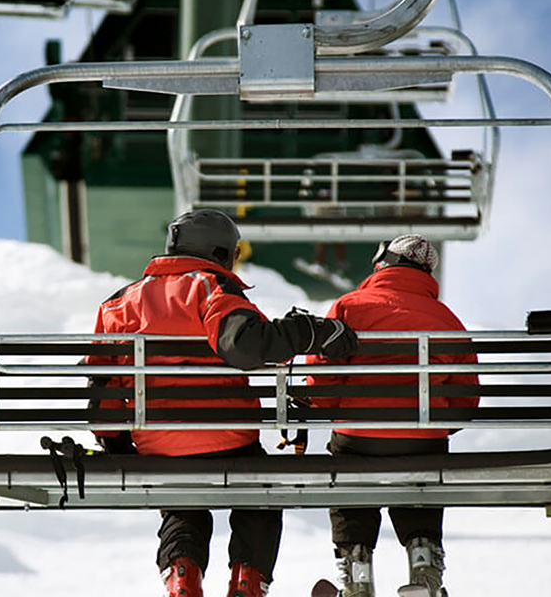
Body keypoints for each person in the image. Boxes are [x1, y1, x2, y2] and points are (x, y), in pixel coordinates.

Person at [85, 209, 358, 597]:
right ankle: (246, 585)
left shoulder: (120, 303)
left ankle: (183, 579)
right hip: (229, 438)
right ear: (220, 252)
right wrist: (308, 332)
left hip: (158, 446)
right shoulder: (210, 287)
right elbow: (245, 345)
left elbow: (103, 384)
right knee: (259, 493)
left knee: (181, 504)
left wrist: (115, 442)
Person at [306, 234, 479, 597]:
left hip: (358, 438)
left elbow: (320, 384)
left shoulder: (349, 306)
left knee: (349, 472)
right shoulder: (447, 318)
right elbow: (465, 398)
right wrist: (433, 424)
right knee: (422, 469)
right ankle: (425, 565)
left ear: (382, 264)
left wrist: (344, 412)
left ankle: (356, 572)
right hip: (424, 441)